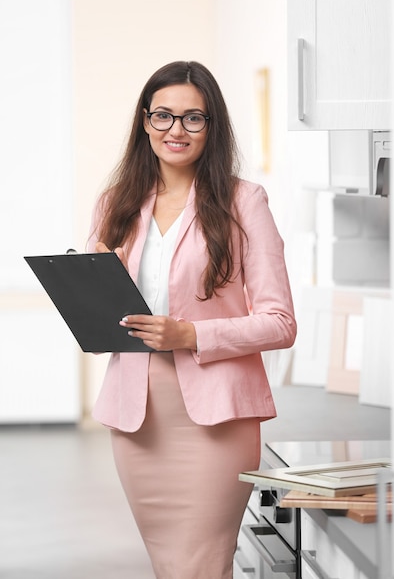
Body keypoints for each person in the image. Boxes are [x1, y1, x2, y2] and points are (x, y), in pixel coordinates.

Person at [87, 60, 296, 579]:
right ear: (144, 121)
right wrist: (93, 296)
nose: (175, 130)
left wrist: (191, 333)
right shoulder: (114, 204)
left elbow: (280, 322)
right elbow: (104, 318)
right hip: (138, 416)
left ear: (212, 125)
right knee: (169, 566)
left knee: (198, 567)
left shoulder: (244, 201)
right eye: (163, 116)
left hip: (216, 417)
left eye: (192, 118)